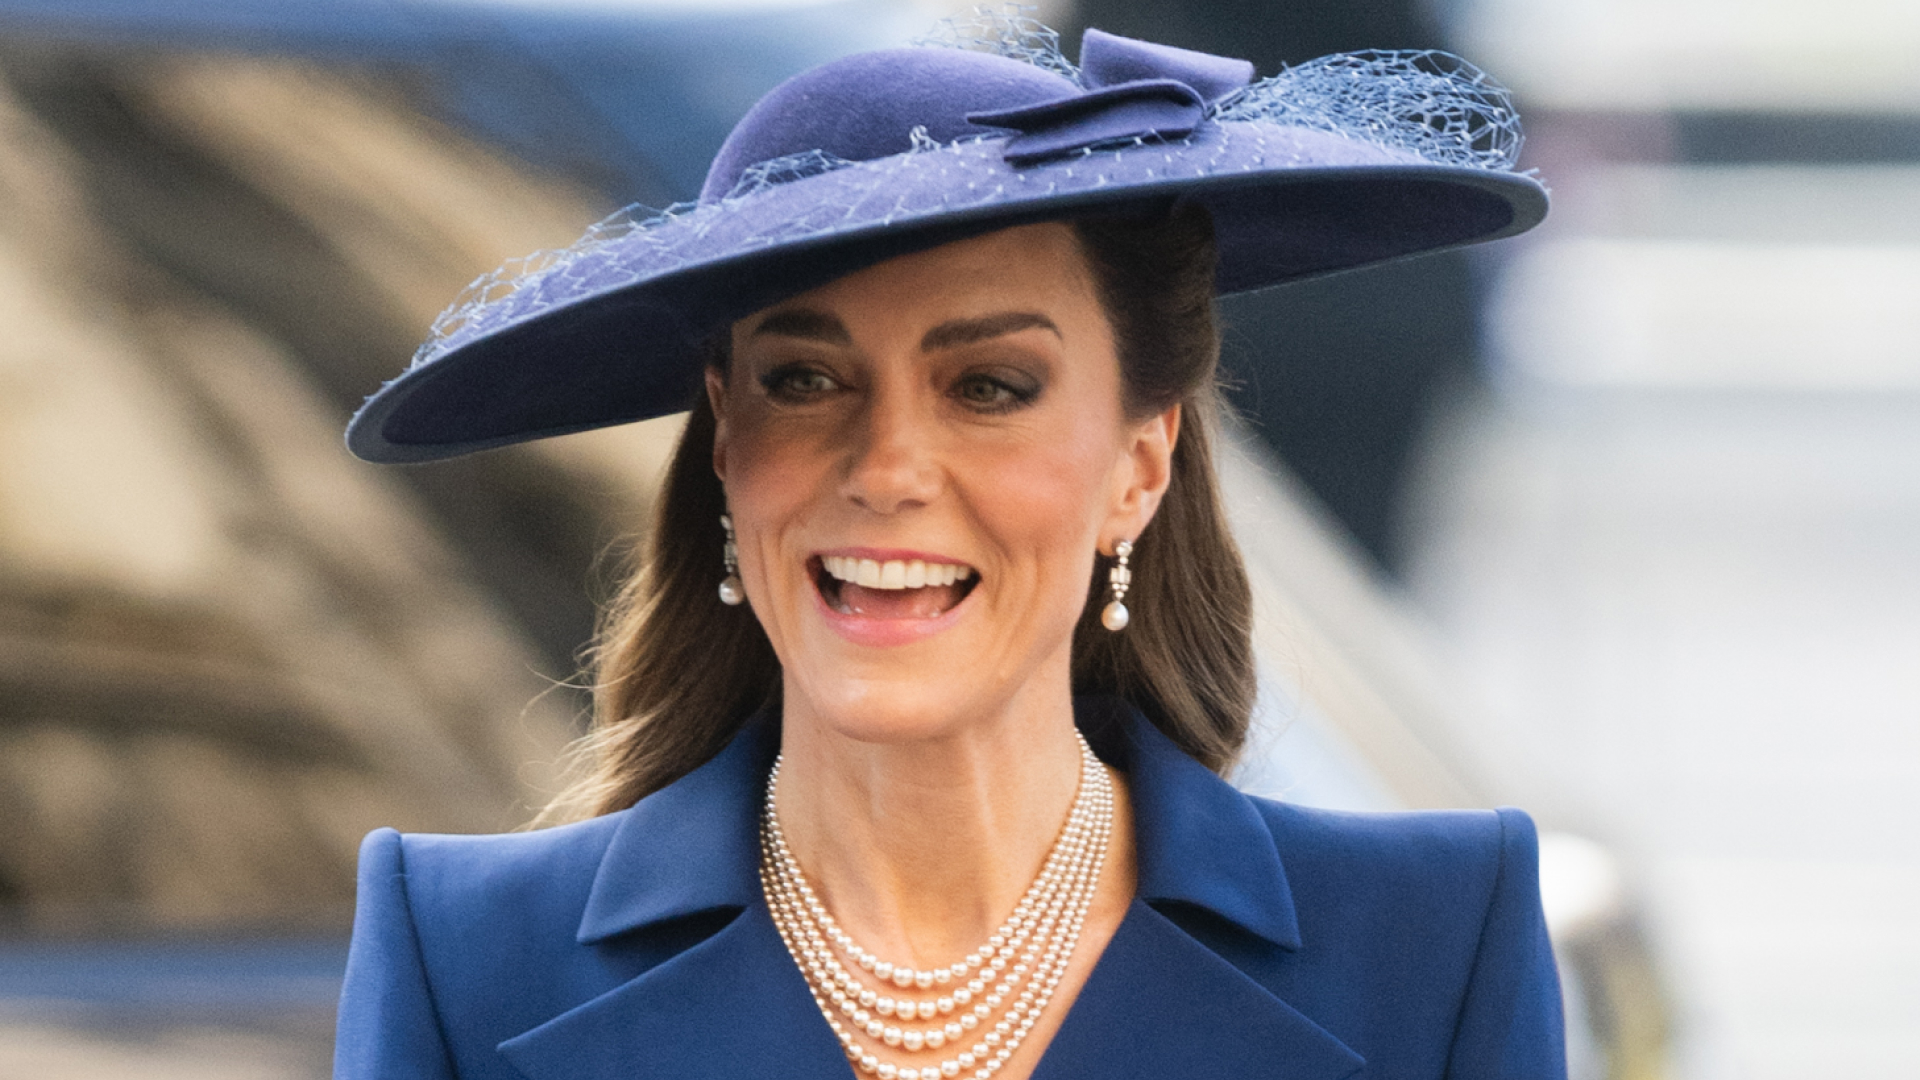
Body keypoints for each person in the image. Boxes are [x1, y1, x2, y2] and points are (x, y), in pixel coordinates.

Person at [334, 15, 1561, 1080]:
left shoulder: (1431, 940)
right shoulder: (466, 955)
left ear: (1139, 467)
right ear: (725, 444)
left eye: (988, 387)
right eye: (804, 380)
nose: (886, 471)